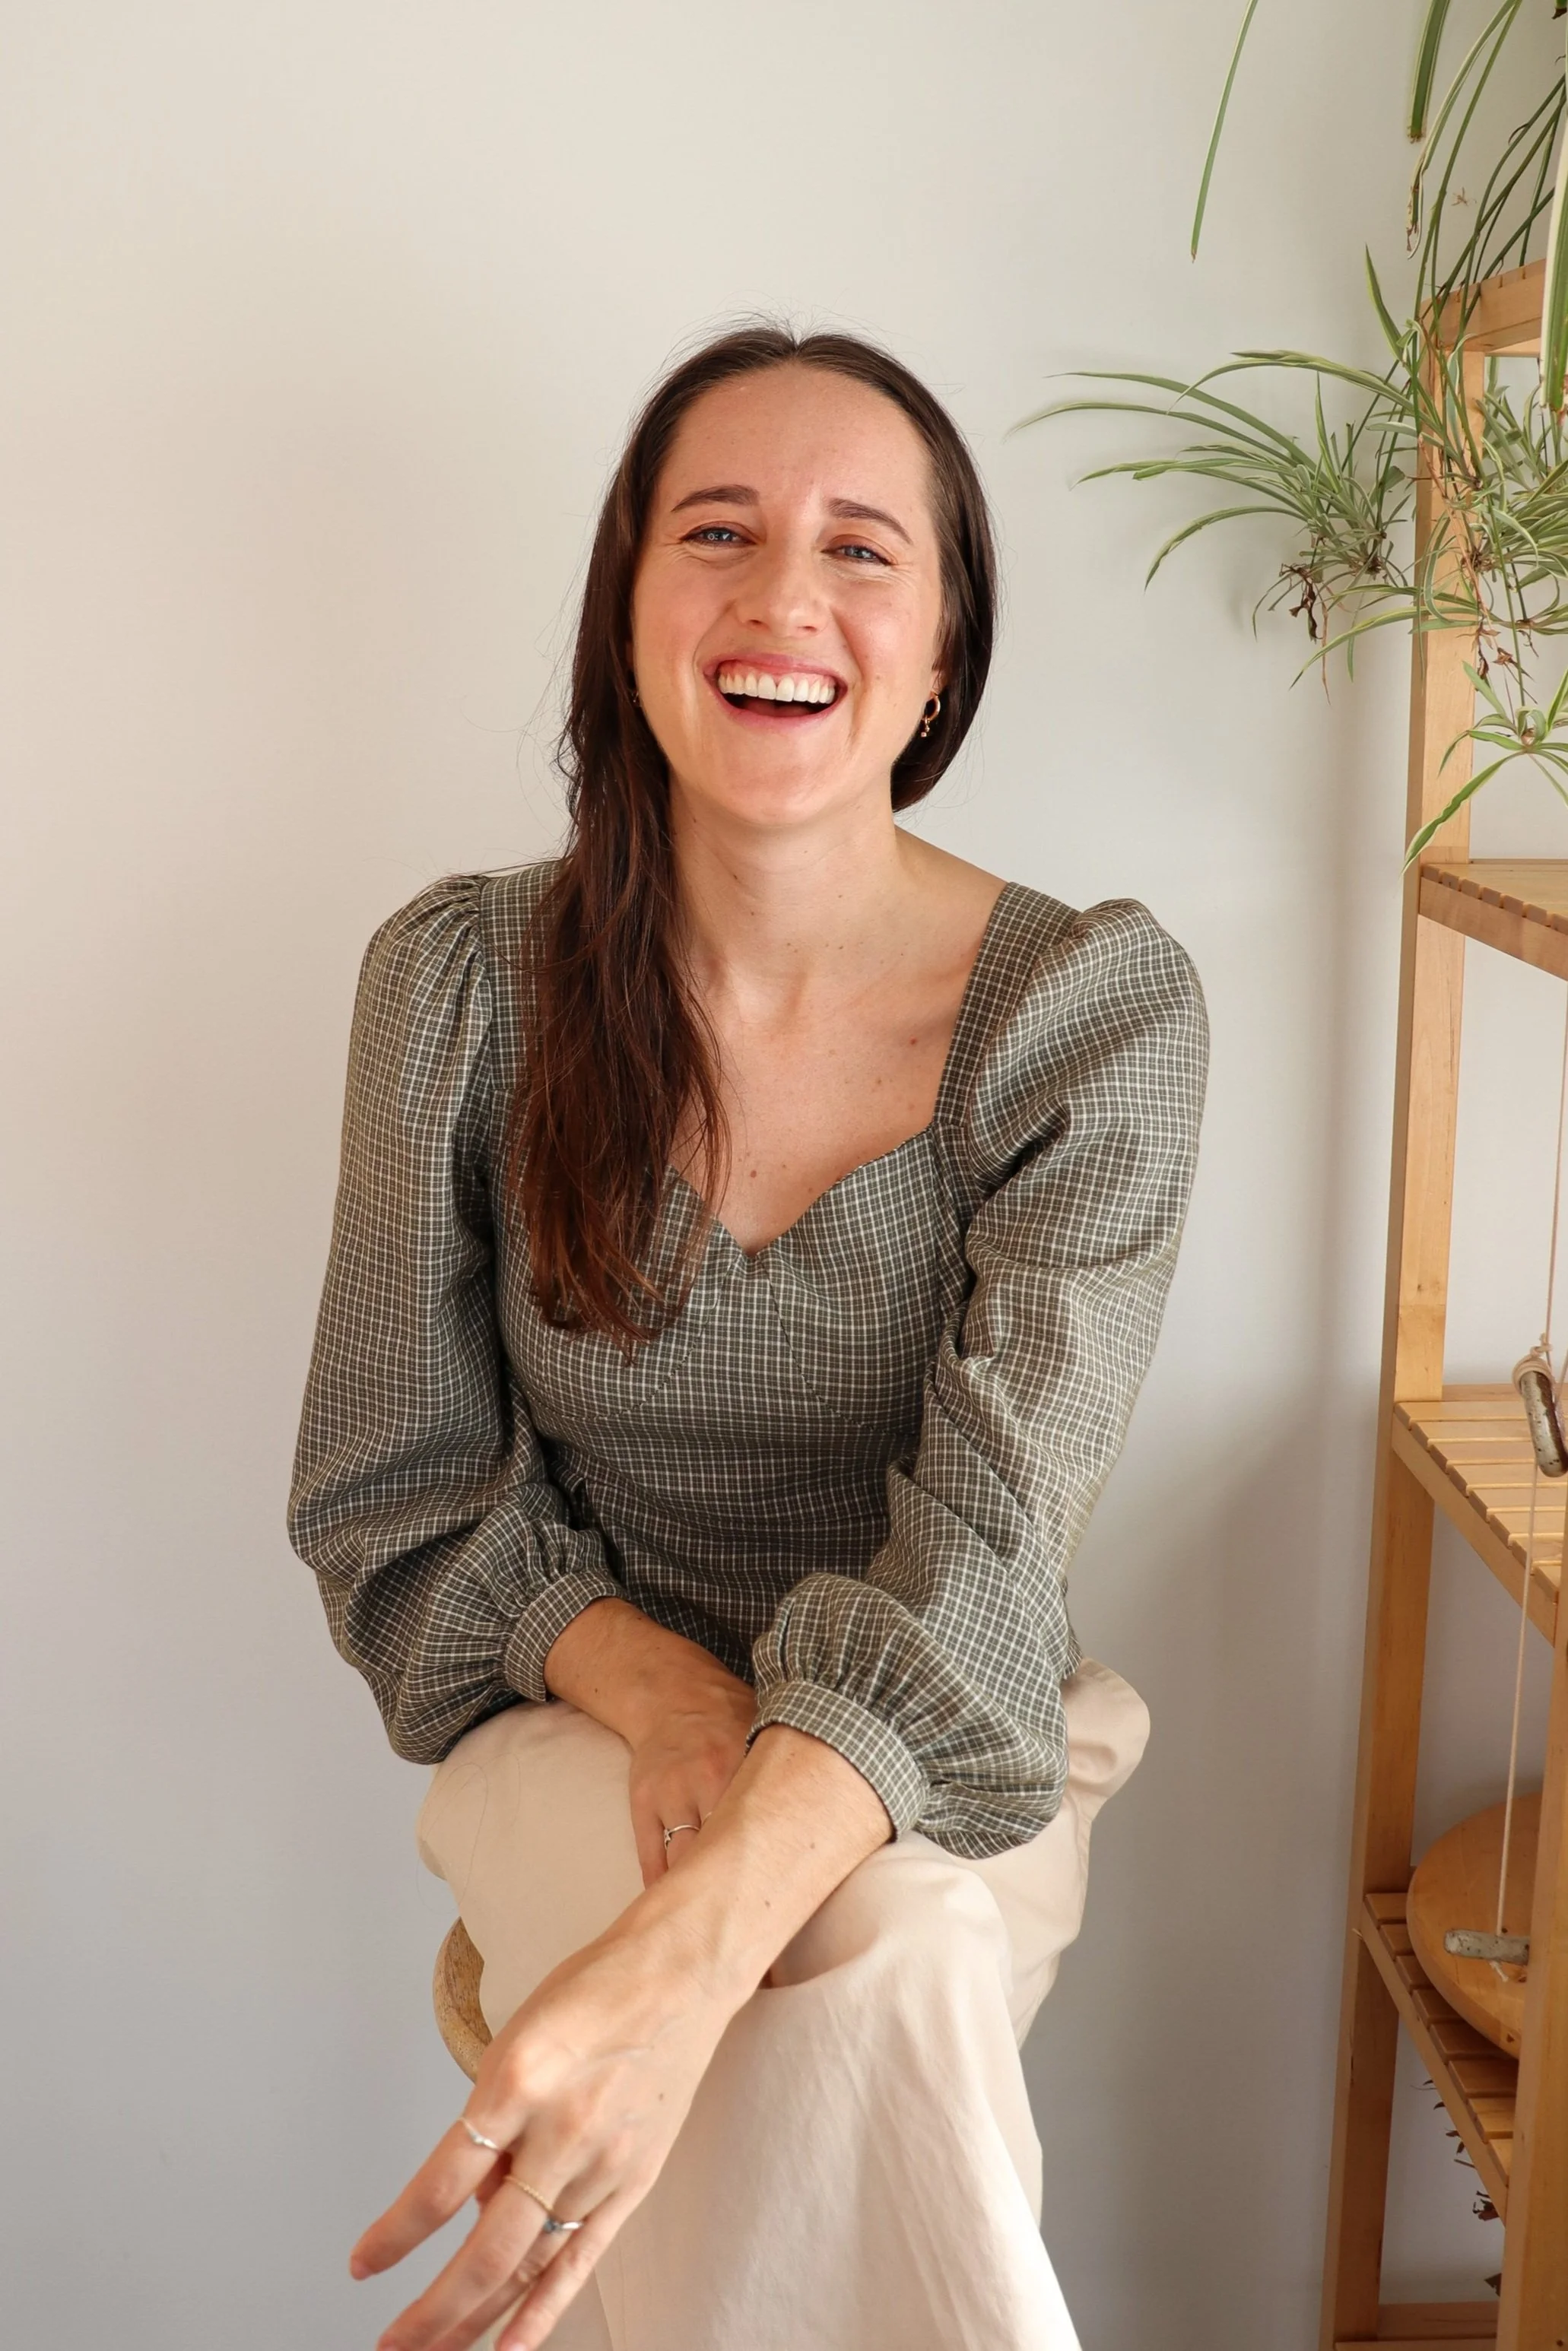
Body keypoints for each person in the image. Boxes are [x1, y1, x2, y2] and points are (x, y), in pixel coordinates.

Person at [288, 324, 1208, 2351]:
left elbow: (986, 1549)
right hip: (572, 1718)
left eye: (860, 548)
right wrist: (679, 1708)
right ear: (628, 607)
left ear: (944, 646)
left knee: (857, 1938)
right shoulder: (452, 987)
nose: (783, 592)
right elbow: (394, 1498)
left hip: (952, 1741)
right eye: (717, 530)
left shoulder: (1089, 1016)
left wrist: (703, 1929)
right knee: (868, 1982)